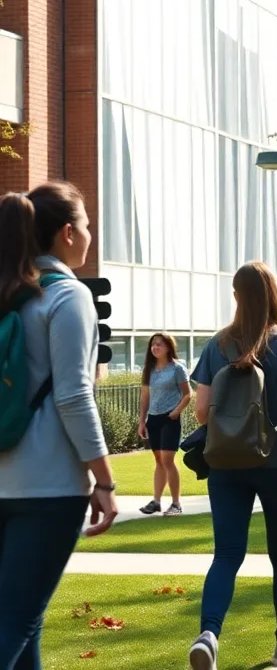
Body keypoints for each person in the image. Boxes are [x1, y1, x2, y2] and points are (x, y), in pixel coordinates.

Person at [0, 183, 119, 667]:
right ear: (68, 233)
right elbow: (73, 397)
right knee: (16, 621)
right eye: (86, 224)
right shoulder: (68, 295)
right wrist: (105, 480)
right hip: (48, 486)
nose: (90, 234)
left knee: (24, 621)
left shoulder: (9, 292)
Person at [188, 262, 277, 670]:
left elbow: (202, 411)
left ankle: (209, 634)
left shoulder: (218, 344)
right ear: (274, 292)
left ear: (236, 295)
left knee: (226, 554)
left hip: (226, 463)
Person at [137, 332, 192, 516]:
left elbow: (188, 394)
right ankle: (156, 501)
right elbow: (145, 397)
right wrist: (142, 421)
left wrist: (176, 412)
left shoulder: (177, 368)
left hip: (170, 418)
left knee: (168, 460)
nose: (155, 347)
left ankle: (176, 504)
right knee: (159, 461)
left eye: (159, 344)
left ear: (168, 347)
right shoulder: (149, 369)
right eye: (153, 344)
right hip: (153, 419)